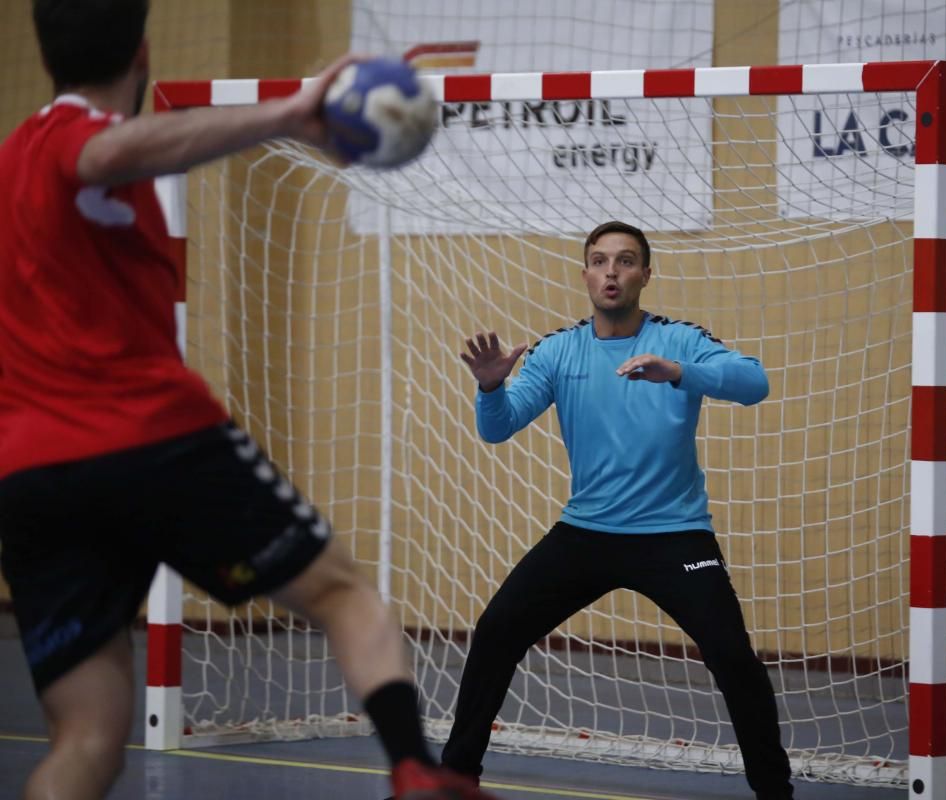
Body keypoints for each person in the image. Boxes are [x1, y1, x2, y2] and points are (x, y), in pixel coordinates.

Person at [0, 2, 496, 799]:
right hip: (150, 437)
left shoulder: (9, 164)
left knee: (89, 737)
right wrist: (292, 111)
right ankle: (415, 772)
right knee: (343, 593)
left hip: (31, 475)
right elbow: (102, 151)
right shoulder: (71, 144)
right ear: (144, 51)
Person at [445, 220, 795, 799]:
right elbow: (499, 429)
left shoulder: (678, 340)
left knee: (733, 657)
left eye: (626, 261)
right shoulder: (559, 351)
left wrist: (681, 373)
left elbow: (754, 383)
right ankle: (454, 782)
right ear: (585, 274)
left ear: (645, 275)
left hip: (674, 535)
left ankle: (775, 793)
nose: (612, 271)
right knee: (497, 629)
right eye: (601, 261)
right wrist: (489, 389)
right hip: (586, 534)